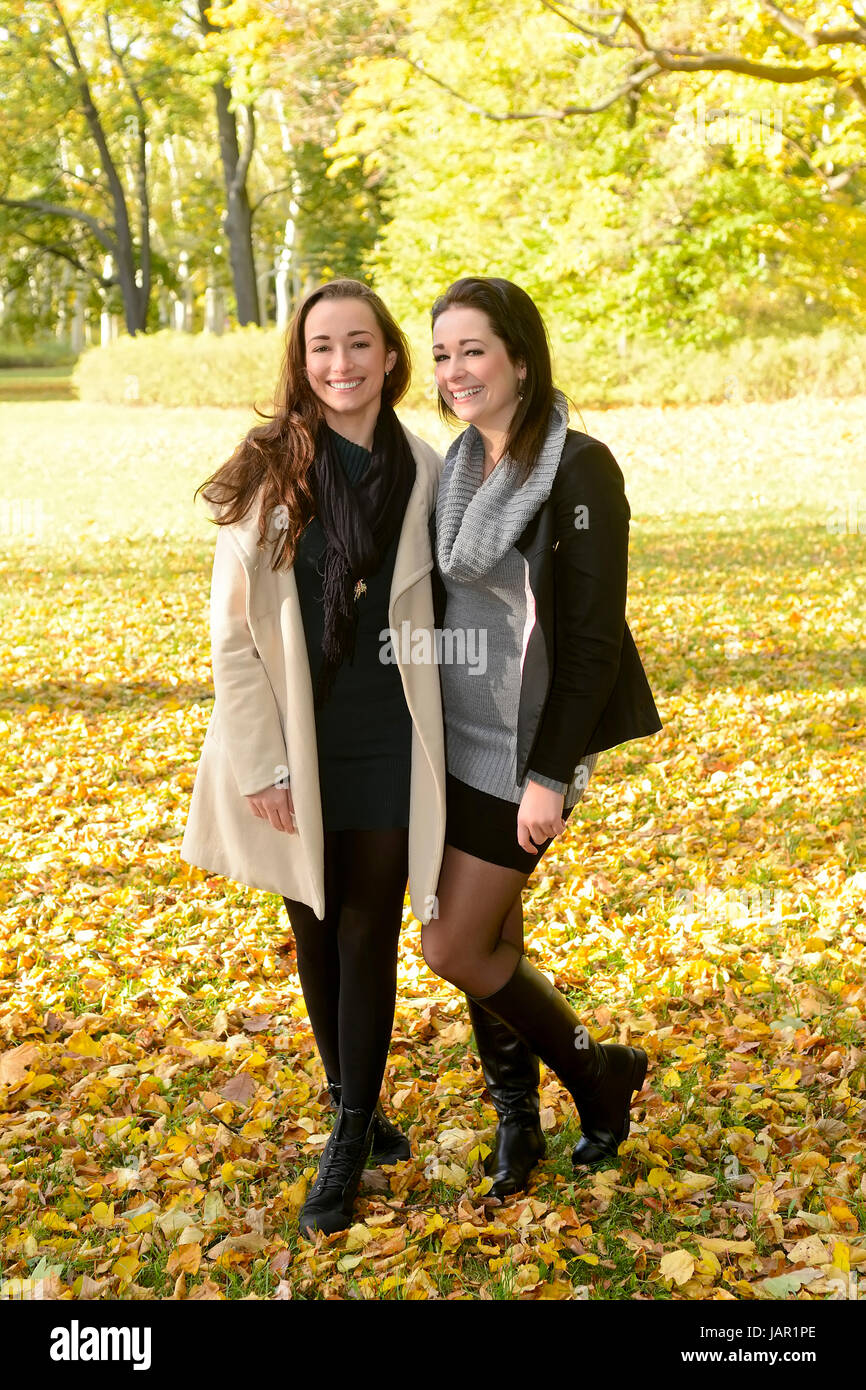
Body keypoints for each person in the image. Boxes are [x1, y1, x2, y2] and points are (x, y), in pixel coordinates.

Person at [180, 279, 446, 1237]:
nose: (342, 364)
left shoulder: (427, 466)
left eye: (360, 344)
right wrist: (263, 764)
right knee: (316, 921)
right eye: (323, 346)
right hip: (296, 734)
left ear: (388, 356)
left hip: (391, 728)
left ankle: (344, 1138)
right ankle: (359, 1105)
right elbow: (233, 637)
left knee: (370, 926)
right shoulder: (269, 466)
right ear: (302, 359)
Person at [422, 276, 663, 1198]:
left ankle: (596, 1074)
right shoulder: (457, 466)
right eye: (443, 354)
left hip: (525, 750)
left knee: (454, 946)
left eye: (473, 350)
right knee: (494, 940)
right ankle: (516, 1124)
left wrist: (550, 774)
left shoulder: (580, 468)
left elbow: (594, 641)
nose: (455, 371)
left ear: (521, 358)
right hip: (452, 737)